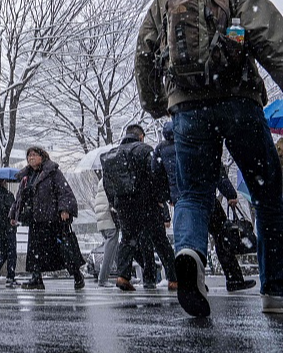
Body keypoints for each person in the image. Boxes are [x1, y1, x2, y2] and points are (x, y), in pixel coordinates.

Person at [135, 0, 283, 317]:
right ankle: (276, 289)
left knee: (193, 193)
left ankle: (188, 252)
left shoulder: (164, 1)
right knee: (268, 192)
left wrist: (159, 105)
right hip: (238, 102)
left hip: (188, 111)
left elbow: (144, 57)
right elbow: (273, 41)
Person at [154, 122, 257, 293]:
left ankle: (194, 281)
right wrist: (230, 193)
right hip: (203, 196)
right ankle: (234, 279)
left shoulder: (160, 150)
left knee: (190, 239)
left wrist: (168, 197)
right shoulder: (194, 142)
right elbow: (214, 169)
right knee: (221, 236)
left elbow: (157, 175)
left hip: (181, 201)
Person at [101, 124, 177, 292]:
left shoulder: (112, 155)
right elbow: (156, 174)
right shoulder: (144, 150)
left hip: (124, 205)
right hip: (146, 202)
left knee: (128, 240)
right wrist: (161, 199)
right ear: (141, 136)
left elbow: (107, 184)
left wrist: (115, 203)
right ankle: (174, 278)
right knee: (160, 241)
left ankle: (123, 276)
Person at [9, 146, 86, 290]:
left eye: (33, 155)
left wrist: (65, 209)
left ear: (42, 156)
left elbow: (64, 191)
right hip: (36, 220)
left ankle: (77, 275)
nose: (30, 158)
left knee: (63, 250)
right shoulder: (27, 177)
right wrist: (14, 214)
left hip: (52, 219)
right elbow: (19, 198)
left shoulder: (53, 173)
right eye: (28, 156)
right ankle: (36, 278)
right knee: (35, 251)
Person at [93, 176, 119, 287]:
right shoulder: (111, 178)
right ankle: (103, 278)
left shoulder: (103, 180)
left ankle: (123, 274)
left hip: (102, 217)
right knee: (111, 246)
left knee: (114, 246)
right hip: (108, 217)